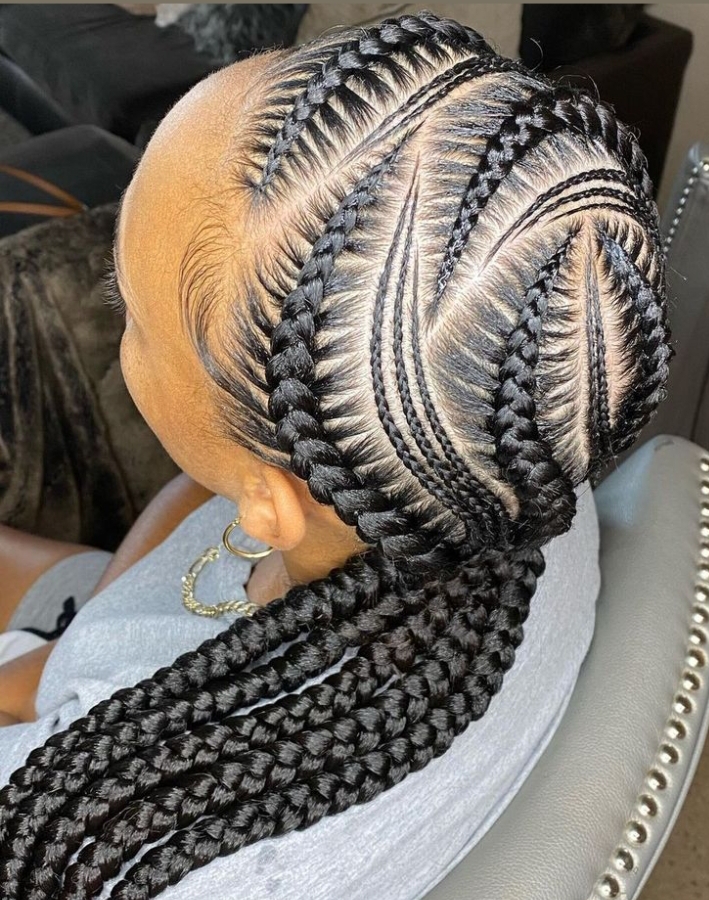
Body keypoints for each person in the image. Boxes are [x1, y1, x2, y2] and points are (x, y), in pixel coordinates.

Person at [0, 10, 670, 900]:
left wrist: (68, 668)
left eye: (132, 314)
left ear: (267, 499)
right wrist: (85, 643)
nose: (114, 307)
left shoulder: (93, 827)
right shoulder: (518, 445)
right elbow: (190, 528)